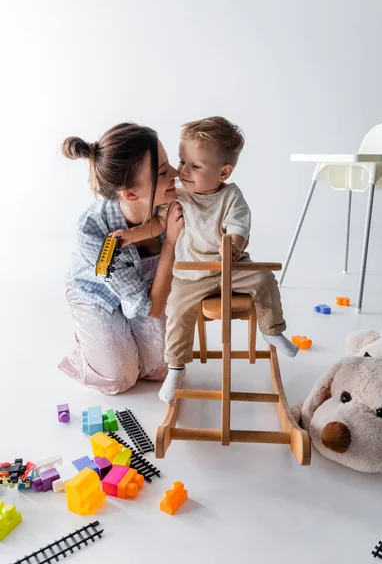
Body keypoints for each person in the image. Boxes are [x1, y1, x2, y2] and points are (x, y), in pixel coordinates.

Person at [112, 116, 298, 405]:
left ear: (223, 172)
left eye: (195, 166)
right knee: (176, 310)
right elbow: (158, 225)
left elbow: (239, 228)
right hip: (191, 275)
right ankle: (175, 367)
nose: (182, 171)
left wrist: (233, 247)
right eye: (182, 162)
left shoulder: (231, 196)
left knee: (264, 279)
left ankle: (273, 330)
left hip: (230, 268)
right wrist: (131, 235)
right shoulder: (178, 196)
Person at [58, 122, 183, 395]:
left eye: (169, 164)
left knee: (161, 369)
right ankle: (90, 347)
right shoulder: (92, 230)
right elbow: (151, 308)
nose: (176, 173)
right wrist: (171, 243)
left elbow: (150, 303)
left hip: (145, 288)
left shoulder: (170, 203)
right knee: (120, 378)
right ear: (130, 193)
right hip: (96, 295)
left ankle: (121, 338)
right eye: (163, 172)